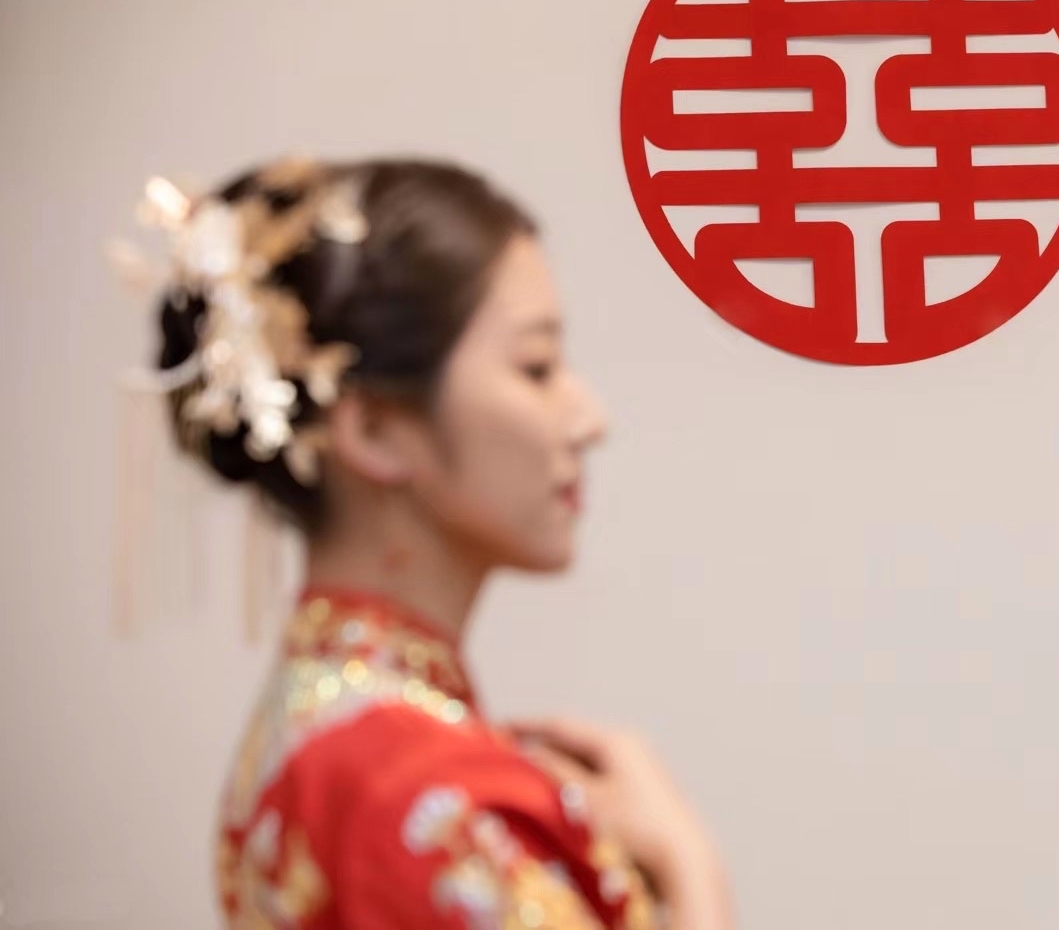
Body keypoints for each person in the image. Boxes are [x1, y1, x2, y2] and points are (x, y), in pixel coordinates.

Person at [120, 157, 733, 929]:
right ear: (376, 429)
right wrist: (690, 868)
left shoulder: (316, 729)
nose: (589, 418)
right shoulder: (430, 794)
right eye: (537, 367)